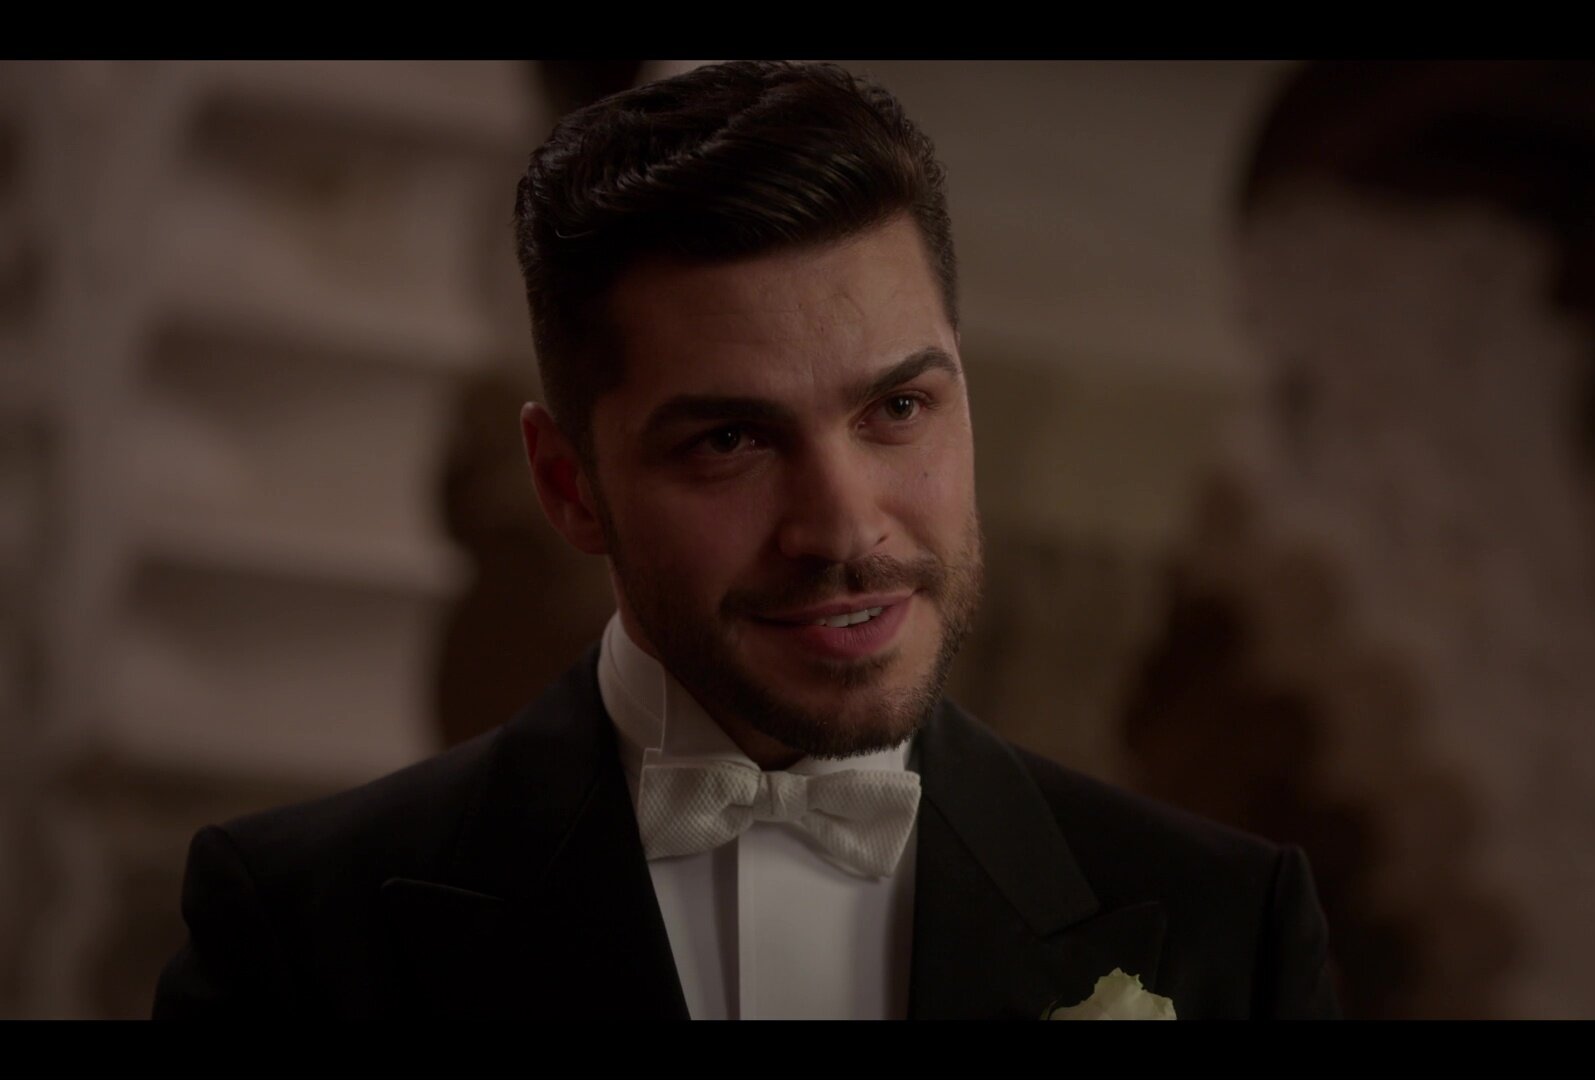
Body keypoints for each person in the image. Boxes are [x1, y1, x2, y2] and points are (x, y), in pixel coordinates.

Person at [151, 60, 1338, 1020]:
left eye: (899, 408)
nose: (844, 527)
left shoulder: (1226, 930)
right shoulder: (302, 931)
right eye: (730, 440)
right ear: (568, 485)